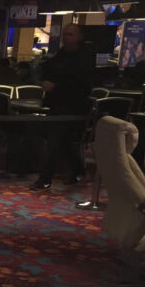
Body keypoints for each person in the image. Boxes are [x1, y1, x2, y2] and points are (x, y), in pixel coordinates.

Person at [30, 23, 95, 191]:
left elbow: (82, 85)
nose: (66, 37)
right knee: (63, 142)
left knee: (55, 141)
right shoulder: (61, 54)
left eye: (70, 34)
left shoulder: (84, 58)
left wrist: (56, 87)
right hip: (57, 104)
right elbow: (48, 70)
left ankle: (45, 179)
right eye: (65, 34)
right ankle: (78, 171)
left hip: (73, 107)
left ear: (79, 36)